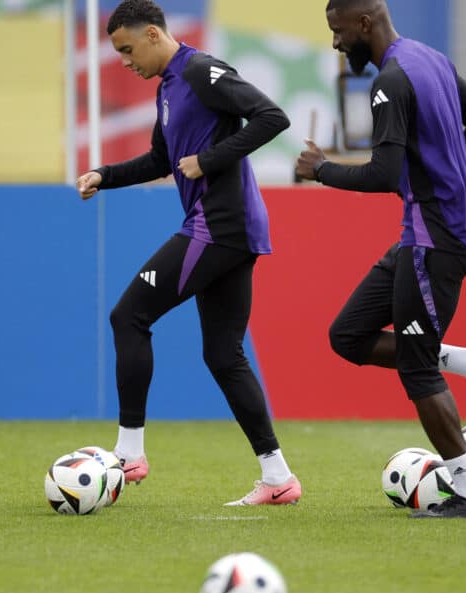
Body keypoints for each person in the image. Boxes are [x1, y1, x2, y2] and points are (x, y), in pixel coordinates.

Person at [76, 0, 301, 507]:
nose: (125, 61)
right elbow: (162, 159)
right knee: (223, 355)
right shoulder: (169, 90)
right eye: (118, 53)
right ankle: (278, 477)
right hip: (226, 229)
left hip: (219, 227)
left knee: (128, 315)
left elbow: (272, 116)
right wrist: (104, 176)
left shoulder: (201, 71)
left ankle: (129, 451)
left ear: (153, 34)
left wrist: (210, 159)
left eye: (128, 49)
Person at [296, 0, 466, 518]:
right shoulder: (430, 59)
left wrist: (321, 169)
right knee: (347, 335)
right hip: (427, 233)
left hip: (435, 240)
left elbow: (383, 174)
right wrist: (440, 174)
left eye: (337, 29)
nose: (335, 42)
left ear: (363, 23)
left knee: (416, 369)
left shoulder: (390, 81)